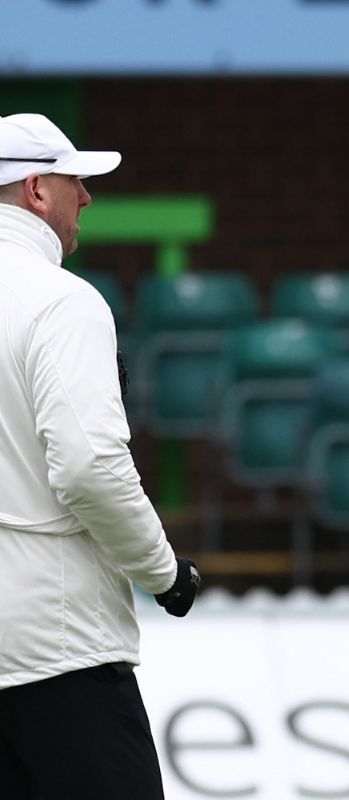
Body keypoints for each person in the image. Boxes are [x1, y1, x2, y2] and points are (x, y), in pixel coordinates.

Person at [0, 113, 201, 798]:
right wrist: (164, 573)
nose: (86, 197)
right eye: (74, 181)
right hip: (54, 651)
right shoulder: (63, 302)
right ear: (36, 190)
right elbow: (90, 470)